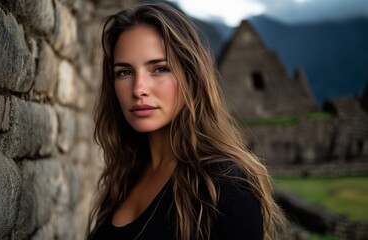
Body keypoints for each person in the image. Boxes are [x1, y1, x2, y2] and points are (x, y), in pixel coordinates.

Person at [87, 3, 286, 240]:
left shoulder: (224, 186)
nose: (138, 89)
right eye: (124, 72)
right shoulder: (124, 176)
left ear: (190, 76)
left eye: (159, 69)